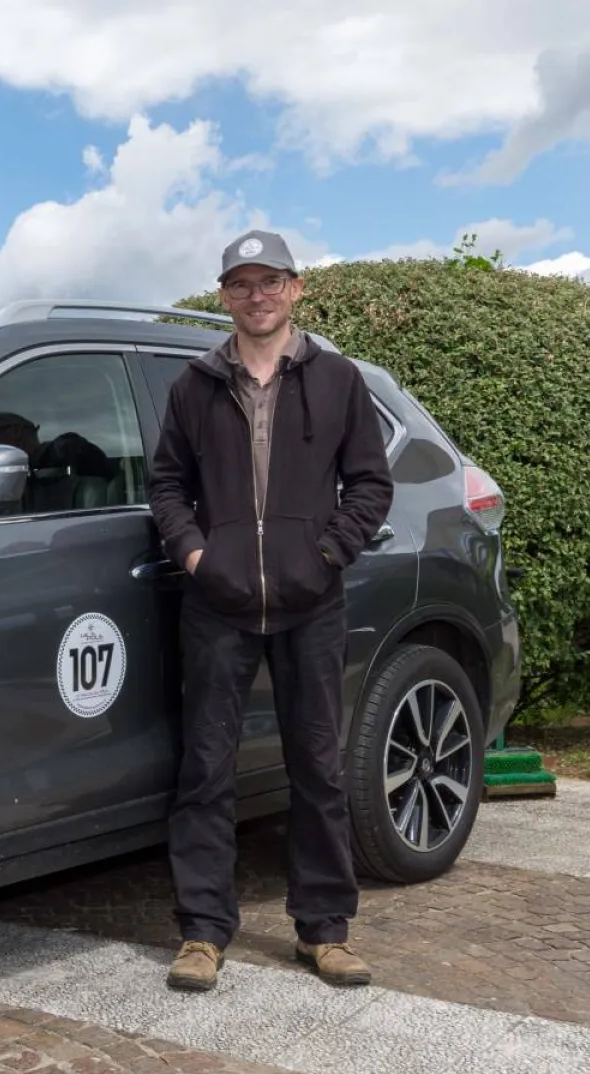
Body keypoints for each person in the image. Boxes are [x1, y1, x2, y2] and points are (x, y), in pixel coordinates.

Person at [148, 229, 394, 993]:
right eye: (241, 284)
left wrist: (324, 555)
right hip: (217, 605)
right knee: (205, 770)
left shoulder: (338, 378)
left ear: (295, 288)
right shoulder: (194, 385)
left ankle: (324, 930)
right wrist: (197, 556)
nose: (257, 296)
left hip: (311, 602)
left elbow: (370, 484)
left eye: (270, 282)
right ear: (223, 295)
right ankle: (202, 931)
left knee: (318, 766)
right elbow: (166, 485)